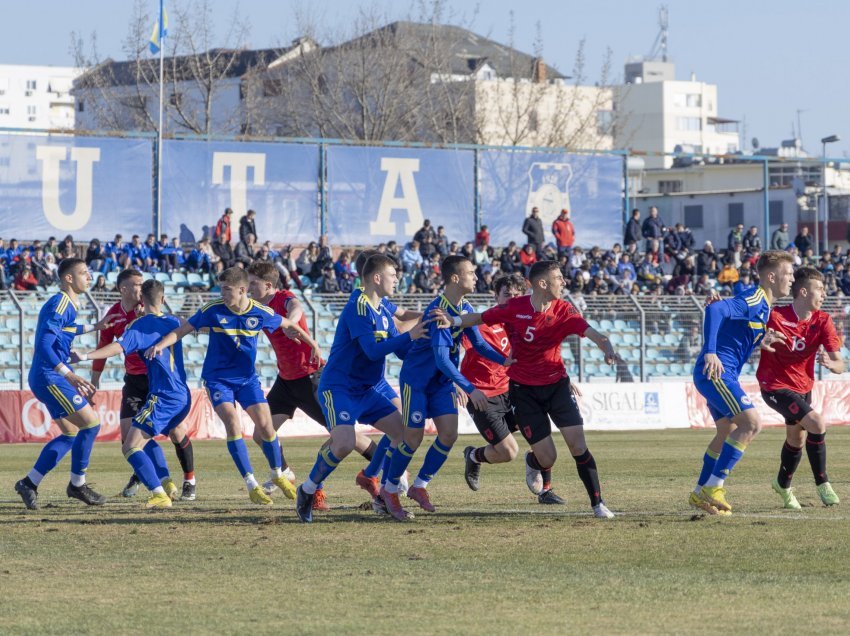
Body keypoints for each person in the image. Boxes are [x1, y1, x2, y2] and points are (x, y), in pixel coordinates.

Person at [438, 260, 618, 518]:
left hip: (556, 386)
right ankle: (531, 462)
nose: (564, 281)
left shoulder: (564, 310)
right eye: (559, 277)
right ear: (543, 284)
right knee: (547, 457)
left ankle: (598, 504)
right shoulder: (515, 308)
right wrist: (452, 321)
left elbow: (589, 331)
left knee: (578, 446)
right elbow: (479, 318)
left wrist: (605, 344)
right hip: (523, 392)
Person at [294, 255, 430, 522]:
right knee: (344, 443)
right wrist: (410, 335)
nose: (397, 279)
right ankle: (308, 489)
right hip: (339, 388)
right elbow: (371, 351)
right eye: (393, 275)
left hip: (367, 389)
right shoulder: (359, 307)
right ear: (377, 278)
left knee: (405, 433)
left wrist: (428, 342)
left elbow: (402, 349)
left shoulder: (382, 310)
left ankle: (383, 494)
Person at [145, 267, 297, 505]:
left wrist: (314, 346)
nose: (222, 293)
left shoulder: (260, 312)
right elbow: (183, 330)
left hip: (247, 380)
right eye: (221, 289)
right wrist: (162, 344)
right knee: (232, 422)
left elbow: (290, 323)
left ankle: (278, 474)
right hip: (218, 380)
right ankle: (251, 484)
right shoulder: (212, 310)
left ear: (242, 290)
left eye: (227, 289)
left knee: (267, 427)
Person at [381, 256, 509, 520]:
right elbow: (440, 359)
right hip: (416, 382)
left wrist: (507, 360)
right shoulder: (438, 311)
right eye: (471, 273)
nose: (476, 277)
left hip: (440, 383)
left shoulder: (464, 306)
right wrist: (470, 388)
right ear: (455, 278)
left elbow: (481, 345)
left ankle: (419, 487)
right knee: (413, 439)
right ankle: (390, 489)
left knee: (449, 434)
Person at [689, 250, 794, 515]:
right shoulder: (755, 297)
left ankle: (700, 491)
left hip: (720, 372)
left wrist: (761, 340)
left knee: (727, 429)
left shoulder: (763, 306)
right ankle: (714, 486)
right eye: (788, 273)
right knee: (752, 423)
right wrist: (710, 351)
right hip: (716, 371)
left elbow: (736, 330)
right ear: (771, 276)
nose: (792, 279)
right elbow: (715, 308)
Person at [70, 280, 191, 508]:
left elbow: (117, 347)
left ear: (141, 302)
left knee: (130, 446)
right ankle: (168, 484)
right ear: (163, 299)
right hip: (183, 394)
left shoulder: (139, 326)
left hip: (163, 396)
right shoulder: (175, 321)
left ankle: (160, 493)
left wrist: (85, 356)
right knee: (150, 435)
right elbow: (196, 326)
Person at [13, 258, 115, 510]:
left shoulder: (68, 306)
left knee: (71, 433)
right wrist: (68, 373)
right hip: (50, 376)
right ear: (68, 278)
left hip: (47, 375)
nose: (89, 277)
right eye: (83, 273)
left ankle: (29, 483)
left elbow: (67, 330)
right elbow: (44, 345)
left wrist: (96, 326)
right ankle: (77, 485)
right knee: (91, 424)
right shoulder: (60, 303)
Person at [460, 273, 565, 504]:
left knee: (540, 431)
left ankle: (545, 490)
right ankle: (474, 456)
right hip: (483, 396)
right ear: (495, 296)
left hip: (512, 390)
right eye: (507, 295)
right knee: (507, 452)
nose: (512, 299)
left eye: (517, 295)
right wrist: (459, 385)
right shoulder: (481, 322)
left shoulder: (524, 321)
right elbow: (458, 350)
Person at [757, 267, 845, 509]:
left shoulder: (823, 320)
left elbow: (840, 363)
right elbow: (748, 334)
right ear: (803, 292)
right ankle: (823, 483)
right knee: (817, 423)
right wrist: (760, 342)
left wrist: (831, 364)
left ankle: (782, 487)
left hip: (802, 387)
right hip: (774, 386)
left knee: (796, 440)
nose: (824, 295)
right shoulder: (774, 316)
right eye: (820, 290)